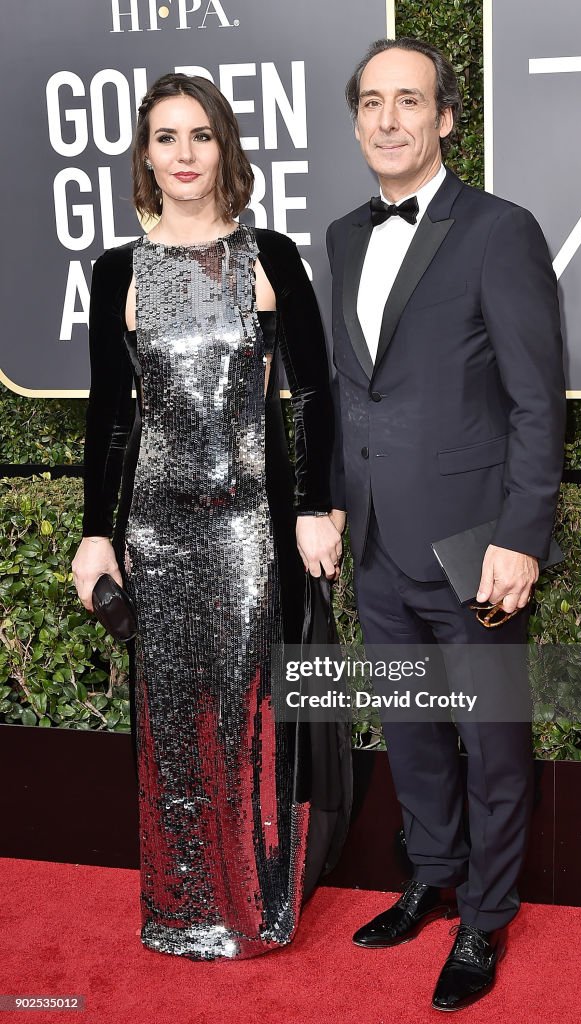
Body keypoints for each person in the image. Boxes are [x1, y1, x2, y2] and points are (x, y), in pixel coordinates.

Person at [72, 72, 348, 960]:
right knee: (165, 723)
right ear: (145, 156)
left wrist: (315, 506)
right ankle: (179, 903)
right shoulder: (117, 270)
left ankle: (246, 904)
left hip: (243, 532)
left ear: (225, 147)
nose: (184, 154)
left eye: (199, 135)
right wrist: (95, 530)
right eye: (165, 137)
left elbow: (310, 397)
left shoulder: (268, 257)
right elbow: (111, 422)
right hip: (155, 530)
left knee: (242, 718)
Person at [326, 38, 566, 1011]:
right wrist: (336, 504)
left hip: (473, 541)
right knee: (412, 732)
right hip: (378, 544)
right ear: (355, 120)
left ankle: (484, 915)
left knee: (492, 741)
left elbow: (535, 400)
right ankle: (429, 875)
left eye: (408, 101)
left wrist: (519, 533)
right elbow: (355, 392)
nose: (387, 119)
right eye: (371, 103)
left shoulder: (497, 230)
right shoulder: (340, 235)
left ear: (444, 118)